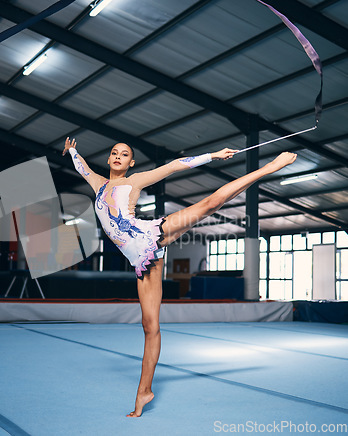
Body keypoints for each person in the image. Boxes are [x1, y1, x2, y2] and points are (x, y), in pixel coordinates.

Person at [63, 138, 296, 417]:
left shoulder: (135, 181)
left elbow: (174, 166)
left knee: (211, 204)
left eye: (124, 154)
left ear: (131, 163)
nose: (118, 156)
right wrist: (72, 150)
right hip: (140, 259)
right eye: (114, 152)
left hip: (149, 234)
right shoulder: (98, 183)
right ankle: (144, 391)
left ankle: (269, 167)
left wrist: (214, 155)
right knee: (150, 327)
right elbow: (81, 167)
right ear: (109, 158)